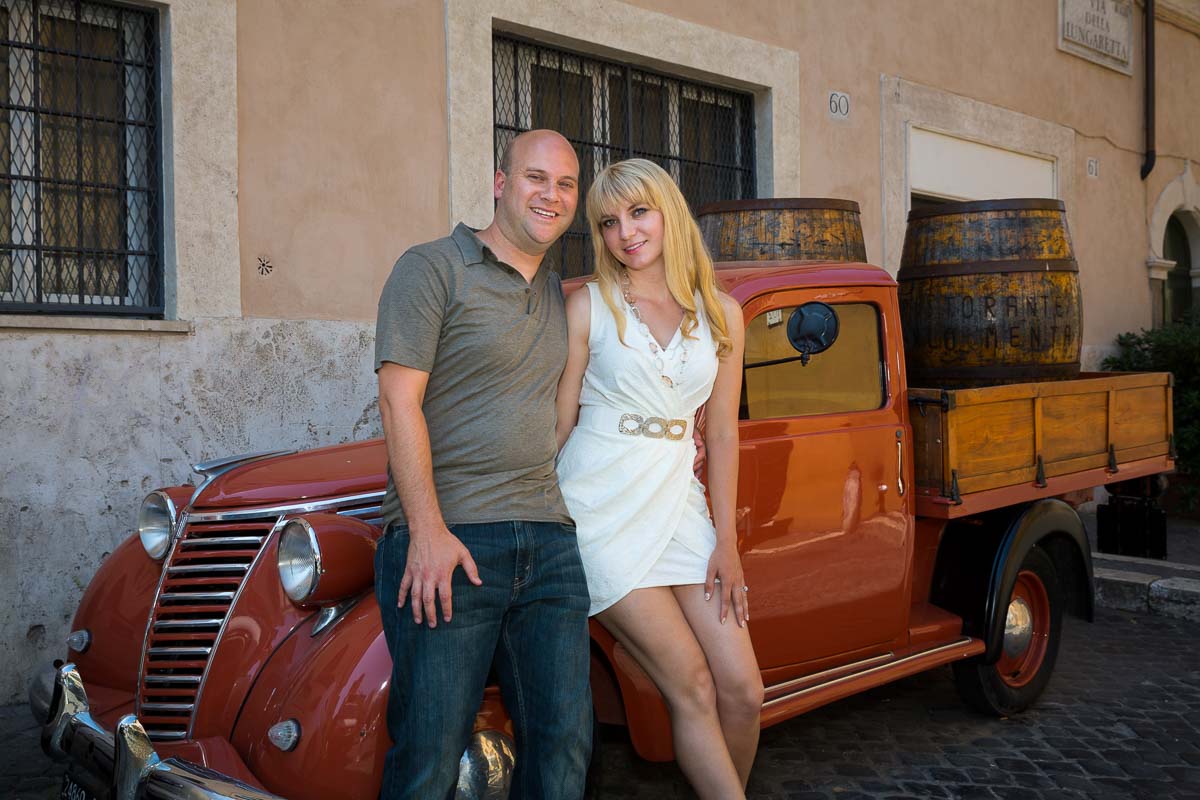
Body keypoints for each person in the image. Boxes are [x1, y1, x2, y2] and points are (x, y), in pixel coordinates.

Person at [373, 129, 591, 799]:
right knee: (429, 757)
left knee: (563, 749)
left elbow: (573, 411)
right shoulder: (433, 266)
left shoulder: (563, 296)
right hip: (452, 539)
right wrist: (428, 530)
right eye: (535, 178)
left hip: (550, 545)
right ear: (501, 183)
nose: (549, 195)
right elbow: (396, 398)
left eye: (564, 184)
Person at [554, 159, 764, 799]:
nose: (626, 232)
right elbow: (559, 420)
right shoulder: (588, 305)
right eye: (609, 222)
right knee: (692, 685)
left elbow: (722, 433)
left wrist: (725, 542)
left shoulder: (724, 314)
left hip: (681, 506)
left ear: (669, 212)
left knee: (744, 690)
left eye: (639, 212)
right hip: (600, 509)